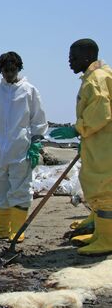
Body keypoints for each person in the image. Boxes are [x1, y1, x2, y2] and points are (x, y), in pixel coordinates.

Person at [0, 52, 47, 243]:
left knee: (20, 189)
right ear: (0, 71)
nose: (9, 74)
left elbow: (38, 120)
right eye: (5, 70)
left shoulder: (29, 91)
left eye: (12, 70)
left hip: (20, 150)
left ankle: (17, 230)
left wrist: (36, 143)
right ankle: (0, 228)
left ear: (19, 69)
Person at [50, 38, 112, 255]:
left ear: (86, 56)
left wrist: (77, 129)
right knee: (97, 188)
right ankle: (100, 234)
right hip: (98, 143)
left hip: (105, 147)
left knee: (104, 190)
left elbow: (101, 112)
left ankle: (108, 239)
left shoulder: (97, 79)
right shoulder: (98, 76)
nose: (69, 62)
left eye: (72, 57)